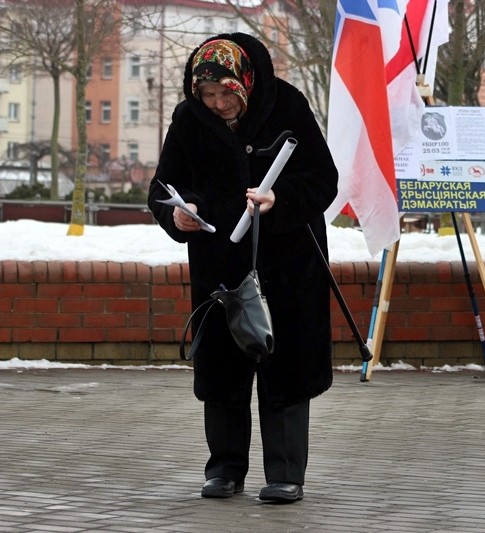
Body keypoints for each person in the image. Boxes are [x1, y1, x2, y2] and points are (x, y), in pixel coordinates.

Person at [147, 33, 338, 502]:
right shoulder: (189, 119)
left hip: (289, 263)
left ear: (245, 83)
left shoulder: (287, 105)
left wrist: (280, 198)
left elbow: (323, 180)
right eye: (207, 95)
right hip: (221, 263)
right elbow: (164, 183)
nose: (217, 104)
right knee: (224, 370)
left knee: (284, 367)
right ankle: (225, 468)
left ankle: (285, 473)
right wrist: (177, 211)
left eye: (225, 94)